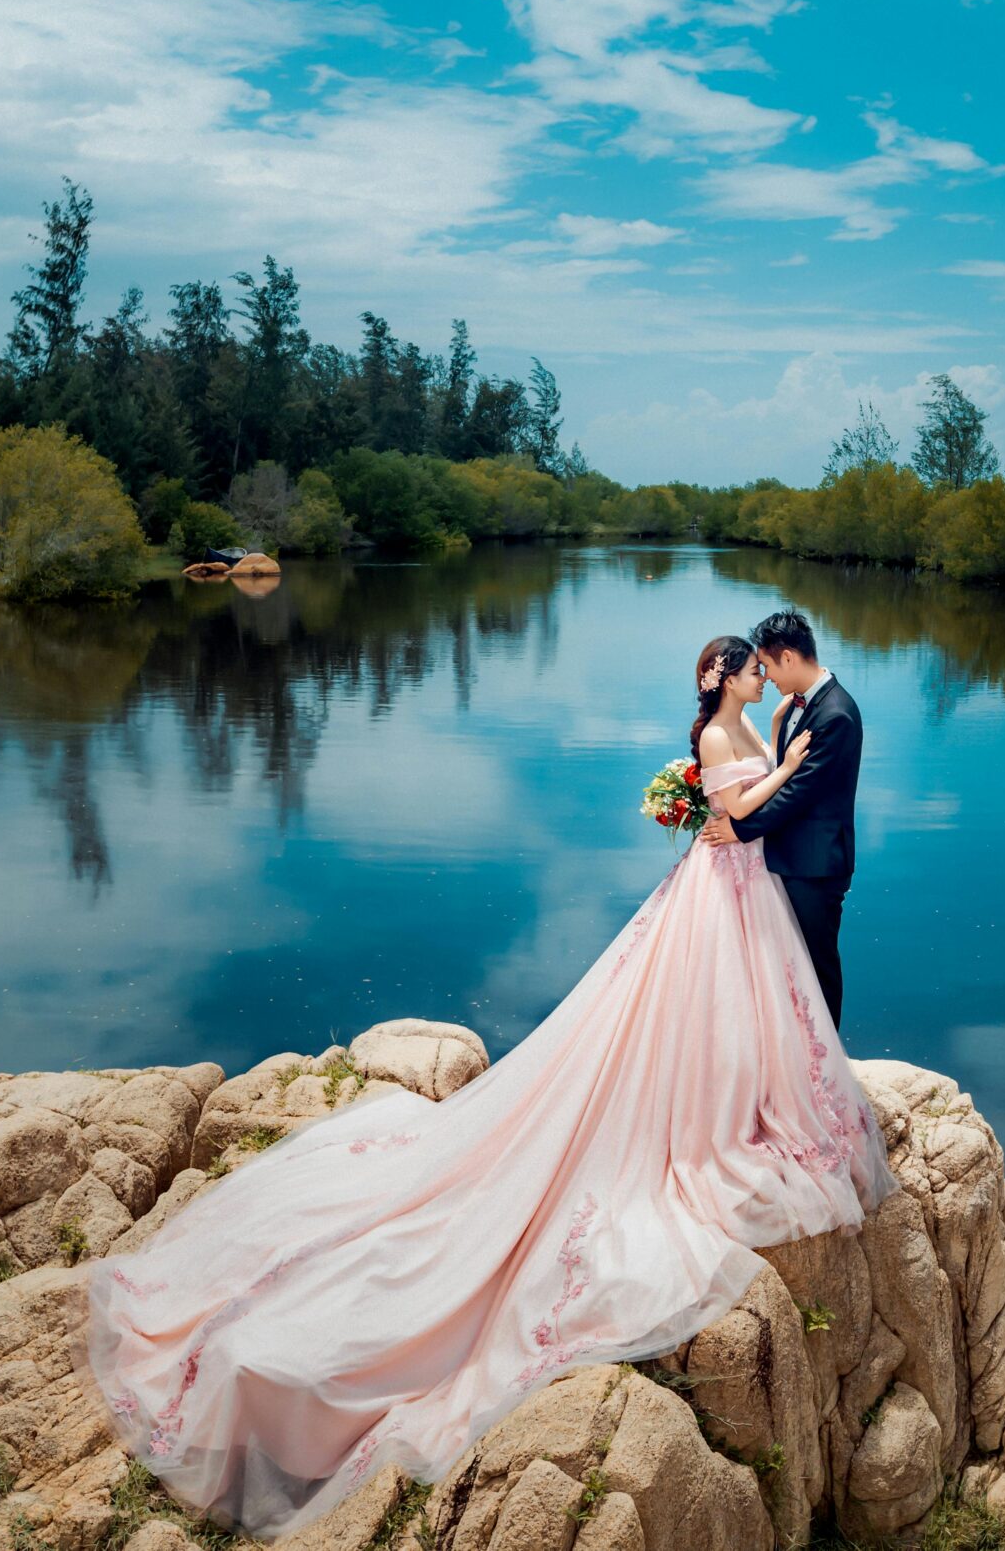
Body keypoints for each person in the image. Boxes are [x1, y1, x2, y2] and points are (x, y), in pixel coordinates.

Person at [83, 634, 893, 1538]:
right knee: (686, 1010)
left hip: (745, 882)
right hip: (724, 878)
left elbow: (754, 800)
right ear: (725, 678)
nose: (756, 677)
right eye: (746, 669)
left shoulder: (771, 720)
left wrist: (773, 768)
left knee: (742, 1008)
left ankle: (746, 1098)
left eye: (756, 668)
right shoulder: (721, 737)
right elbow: (736, 804)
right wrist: (766, 777)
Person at [702, 609, 861, 1026]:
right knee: (787, 970)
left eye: (767, 667)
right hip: (783, 860)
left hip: (815, 864)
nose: (766, 677)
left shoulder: (835, 715)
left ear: (788, 657)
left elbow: (796, 793)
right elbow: (776, 774)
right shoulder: (794, 706)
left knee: (817, 967)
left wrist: (737, 830)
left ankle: (825, 1069)